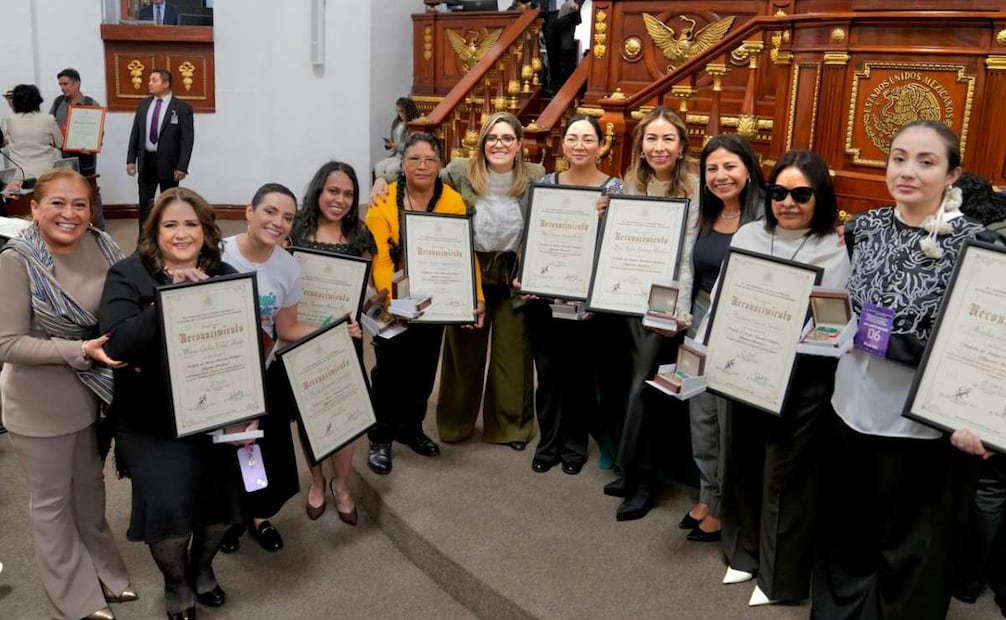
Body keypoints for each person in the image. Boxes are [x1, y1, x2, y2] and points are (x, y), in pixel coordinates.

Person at [812, 121, 996, 619]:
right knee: (849, 529)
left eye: (926, 161)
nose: (907, 171)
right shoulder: (864, 228)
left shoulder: (979, 247)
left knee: (911, 546)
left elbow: (986, 343)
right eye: (898, 157)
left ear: (952, 174)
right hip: (851, 406)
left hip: (924, 423)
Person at [700, 150, 850, 606]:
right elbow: (724, 296)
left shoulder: (837, 247)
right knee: (741, 463)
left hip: (802, 376)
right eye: (780, 192)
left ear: (819, 196)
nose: (788, 202)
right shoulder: (748, 233)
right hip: (744, 366)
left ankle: (778, 577)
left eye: (801, 194)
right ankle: (743, 555)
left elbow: (836, 320)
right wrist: (704, 352)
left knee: (785, 479)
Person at [100, 187, 241, 620]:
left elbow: (241, 349)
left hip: (214, 414)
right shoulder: (128, 275)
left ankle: (202, 569)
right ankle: (177, 584)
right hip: (149, 419)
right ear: (154, 231)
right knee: (171, 512)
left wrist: (245, 411)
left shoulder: (226, 273)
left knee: (221, 511)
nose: (182, 233)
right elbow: (118, 344)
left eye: (191, 224)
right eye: (171, 224)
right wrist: (170, 300)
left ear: (207, 231)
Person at [0, 168, 132, 620]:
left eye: (80, 203)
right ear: (33, 208)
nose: (70, 213)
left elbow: (127, 298)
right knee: (52, 504)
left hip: (91, 398)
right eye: (56, 203)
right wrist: (78, 349)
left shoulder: (103, 244)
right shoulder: (16, 261)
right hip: (38, 406)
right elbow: (6, 344)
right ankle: (73, 595)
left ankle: (104, 568)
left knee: (89, 492)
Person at [365, 132, 484, 475]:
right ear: (401, 163)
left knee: (423, 369)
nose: (422, 166)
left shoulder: (452, 201)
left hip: (436, 300)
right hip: (395, 302)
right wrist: (397, 301)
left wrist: (474, 294)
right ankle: (381, 437)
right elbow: (381, 261)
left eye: (430, 160)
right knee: (389, 371)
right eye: (414, 159)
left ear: (440, 165)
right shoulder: (383, 202)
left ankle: (411, 428)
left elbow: (462, 252)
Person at [601, 106, 699, 521]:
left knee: (645, 389)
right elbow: (623, 246)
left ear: (680, 146)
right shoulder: (631, 182)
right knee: (629, 384)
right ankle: (629, 466)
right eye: (652, 139)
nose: (659, 148)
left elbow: (687, 255)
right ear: (641, 145)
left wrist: (678, 310)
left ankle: (644, 480)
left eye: (667, 140)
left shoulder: (693, 189)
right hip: (627, 300)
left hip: (663, 307)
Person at [435, 112, 543, 449]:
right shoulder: (458, 172)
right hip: (471, 269)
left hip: (513, 273)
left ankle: (509, 427)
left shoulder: (535, 176)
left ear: (519, 145)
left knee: (512, 353)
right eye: (492, 138)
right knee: (462, 349)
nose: (499, 144)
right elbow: (417, 175)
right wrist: (381, 178)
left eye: (507, 138)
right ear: (482, 142)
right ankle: (455, 424)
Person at [524, 114, 623, 476]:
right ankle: (547, 443)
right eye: (572, 138)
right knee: (548, 374)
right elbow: (533, 237)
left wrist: (608, 217)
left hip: (589, 302)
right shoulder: (546, 184)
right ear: (562, 144)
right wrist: (529, 277)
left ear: (600, 145)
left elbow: (617, 246)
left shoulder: (615, 189)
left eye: (587, 139)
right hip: (548, 298)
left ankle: (573, 446)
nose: (579, 146)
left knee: (581, 377)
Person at [680, 134, 764, 541]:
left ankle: (725, 505)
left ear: (748, 169)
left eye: (729, 166)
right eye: (711, 168)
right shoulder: (705, 211)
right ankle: (707, 493)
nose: (720, 175)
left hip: (742, 325)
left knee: (730, 418)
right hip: (699, 315)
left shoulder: (767, 216)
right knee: (702, 412)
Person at [289, 161, 375, 524]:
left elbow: (367, 295)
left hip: (346, 340)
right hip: (302, 340)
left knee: (344, 413)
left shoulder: (360, 235)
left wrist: (364, 321)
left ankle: (341, 484)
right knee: (311, 412)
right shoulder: (294, 233)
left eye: (348, 194)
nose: (340, 200)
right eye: (333, 191)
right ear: (318, 191)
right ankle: (317, 481)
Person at [126, 69, 194, 233]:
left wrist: (182, 166)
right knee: (145, 203)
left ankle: (167, 235)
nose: (149, 83)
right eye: (149, 80)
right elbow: (135, 133)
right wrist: (130, 159)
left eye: (154, 80)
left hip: (169, 164)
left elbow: (187, 140)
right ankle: (143, 241)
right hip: (146, 161)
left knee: (169, 203)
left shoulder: (181, 108)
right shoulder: (143, 105)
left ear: (166, 84)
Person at [50, 68, 105, 229]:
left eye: (65, 83)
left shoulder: (90, 103)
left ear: (77, 84)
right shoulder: (58, 102)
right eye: (60, 84)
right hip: (64, 156)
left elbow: (98, 131)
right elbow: (51, 126)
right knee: (66, 190)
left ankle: (97, 229)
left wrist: (93, 143)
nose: (62, 87)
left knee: (90, 193)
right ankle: (71, 225)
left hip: (86, 157)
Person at [0, 84, 63, 181]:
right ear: (37, 101)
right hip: (46, 174)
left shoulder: (8, 120)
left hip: (19, 175)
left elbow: (4, 142)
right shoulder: (48, 119)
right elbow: (60, 143)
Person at [541, 0, 582, 95]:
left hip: (568, 12)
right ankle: (556, 86)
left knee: (566, 48)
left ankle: (569, 84)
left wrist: (578, 3)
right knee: (552, 53)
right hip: (549, 16)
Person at [375, 97, 419, 181]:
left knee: (390, 170)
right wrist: (389, 145)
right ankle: (380, 187)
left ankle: (390, 190)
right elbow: (394, 140)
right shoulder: (396, 122)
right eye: (397, 111)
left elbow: (412, 146)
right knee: (378, 167)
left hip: (406, 157)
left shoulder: (414, 125)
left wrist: (397, 146)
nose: (399, 114)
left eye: (401, 111)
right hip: (397, 155)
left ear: (408, 111)